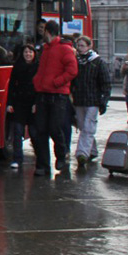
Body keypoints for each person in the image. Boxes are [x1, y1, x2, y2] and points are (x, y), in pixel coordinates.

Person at [31, 20, 78, 176]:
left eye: (43, 31)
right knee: (40, 130)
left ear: (47, 32)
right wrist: (38, 82)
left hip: (58, 95)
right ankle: (43, 164)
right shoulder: (46, 49)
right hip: (43, 93)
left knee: (54, 127)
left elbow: (72, 71)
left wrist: (56, 82)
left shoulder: (65, 49)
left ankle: (61, 153)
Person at [69, 36, 109, 168]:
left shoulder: (97, 62)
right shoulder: (76, 62)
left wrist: (103, 100)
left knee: (88, 127)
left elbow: (105, 83)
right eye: (78, 46)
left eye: (82, 46)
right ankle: (92, 150)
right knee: (82, 126)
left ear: (89, 46)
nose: (80, 48)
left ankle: (82, 153)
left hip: (93, 100)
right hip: (79, 99)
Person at [5, 44, 39, 169]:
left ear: (34, 54)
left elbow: (40, 87)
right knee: (17, 131)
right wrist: (9, 103)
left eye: (30, 52)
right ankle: (17, 159)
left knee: (34, 132)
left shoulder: (38, 66)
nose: (28, 54)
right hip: (19, 102)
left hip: (32, 103)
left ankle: (39, 155)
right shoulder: (17, 67)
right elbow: (12, 86)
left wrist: (37, 103)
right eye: (25, 52)